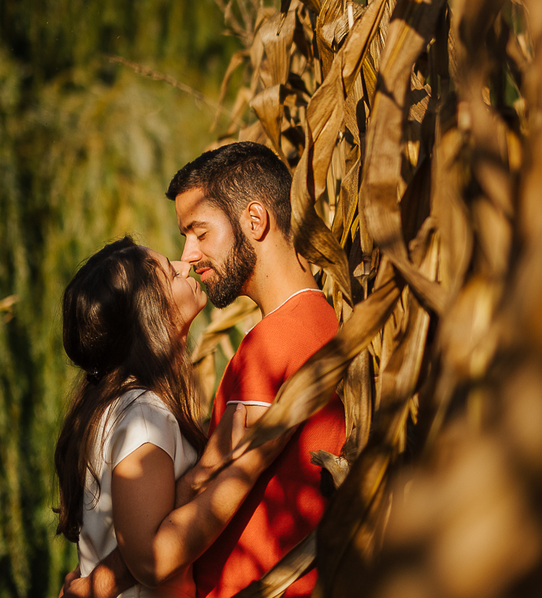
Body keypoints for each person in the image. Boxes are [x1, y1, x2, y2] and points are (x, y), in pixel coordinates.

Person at [66, 142, 346, 598]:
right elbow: (198, 488)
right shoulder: (310, 323)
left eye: (199, 232)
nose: (189, 255)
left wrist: (92, 587)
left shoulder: (274, 344)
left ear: (254, 221)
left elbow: (196, 500)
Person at [55, 238, 265, 598]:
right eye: (169, 272)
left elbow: (148, 522)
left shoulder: (116, 405)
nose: (185, 265)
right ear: (149, 312)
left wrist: (204, 471)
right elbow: (149, 561)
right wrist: (253, 460)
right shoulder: (142, 415)